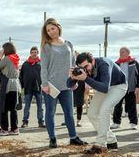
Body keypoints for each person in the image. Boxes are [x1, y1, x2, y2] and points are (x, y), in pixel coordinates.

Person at [67, 52, 128, 153]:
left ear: (93, 61)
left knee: (105, 109)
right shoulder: (85, 68)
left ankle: (100, 144)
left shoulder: (104, 64)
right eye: (82, 68)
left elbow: (104, 88)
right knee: (92, 113)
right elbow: (69, 84)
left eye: (86, 66)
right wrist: (73, 77)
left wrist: (86, 78)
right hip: (104, 87)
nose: (85, 69)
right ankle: (111, 141)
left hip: (118, 86)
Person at [40, 18, 87, 148]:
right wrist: (44, 84)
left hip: (67, 84)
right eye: (48, 30)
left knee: (69, 113)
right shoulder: (46, 47)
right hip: (51, 86)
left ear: (58, 27)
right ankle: (53, 138)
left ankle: (73, 137)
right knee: (50, 112)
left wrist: (74, 80)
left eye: (52, 28)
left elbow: (72, 64)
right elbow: (43, 67)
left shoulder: (68, 44)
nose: (50, 32)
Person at [0, 42, 21, 136]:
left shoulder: (6, 58)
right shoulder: (16, 58)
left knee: (4, 107)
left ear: (6, 49)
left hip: (7, 85)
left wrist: (0, 56)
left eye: (3, 49)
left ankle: (4, 129)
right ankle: (15, 129)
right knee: (13, 109)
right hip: (16, 85)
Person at [111, 47, 139, 130]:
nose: (120, 53)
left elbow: (138, 75)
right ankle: (116, 122)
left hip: (131, 87)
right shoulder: (116, 63)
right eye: (120, 52)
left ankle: (133, 123)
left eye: (122, 52)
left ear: (128, 53)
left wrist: (137, 86)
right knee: (117, 105)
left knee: (132, 105)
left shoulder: (134, 62)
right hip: (119, 87)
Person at [19, 46, 45, 128]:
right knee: (27, 106)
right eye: (32, 52)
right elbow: (21, 76)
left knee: (40, 106)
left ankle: (41, 121)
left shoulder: (41, 63)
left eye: (35, 52)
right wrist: (22, 86)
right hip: (28, 88)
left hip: (39, 88)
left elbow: (45, 75)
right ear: (30, 53)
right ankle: (25, 122)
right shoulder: (25, 64)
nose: (34, 54)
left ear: (38, 53)